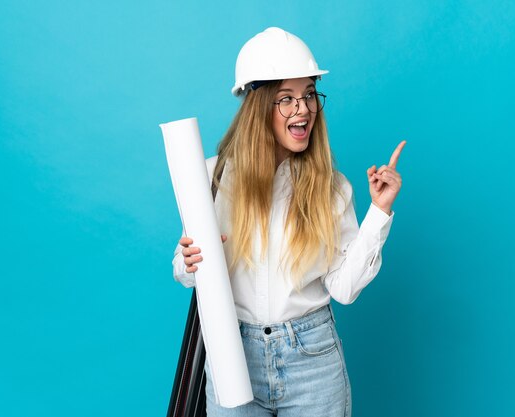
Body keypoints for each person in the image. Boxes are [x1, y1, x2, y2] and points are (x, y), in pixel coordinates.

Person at [172, 27, 405, 417]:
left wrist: (378, 213)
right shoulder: (211, 178)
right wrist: (188, 260)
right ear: (258, 107)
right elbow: (185, 270)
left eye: (309, 95)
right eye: (286, 99)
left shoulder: (331, 188)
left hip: (312, 358)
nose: (303, 109)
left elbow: (344, 289)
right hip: (233, 356)